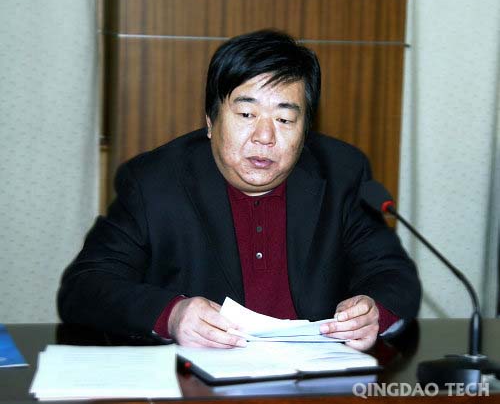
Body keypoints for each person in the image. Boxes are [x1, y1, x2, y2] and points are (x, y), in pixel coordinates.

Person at [58, 29, 421, 351]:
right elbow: (85, 287)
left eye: (285, 119)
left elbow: (394, 276)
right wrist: (171, 314)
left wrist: (372, 312)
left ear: (305, 131)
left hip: (312, 380)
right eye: (247, 115)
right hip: (197, 385)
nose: (264, 137)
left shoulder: (342, 174)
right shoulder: (154, 182)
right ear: (211, 121)